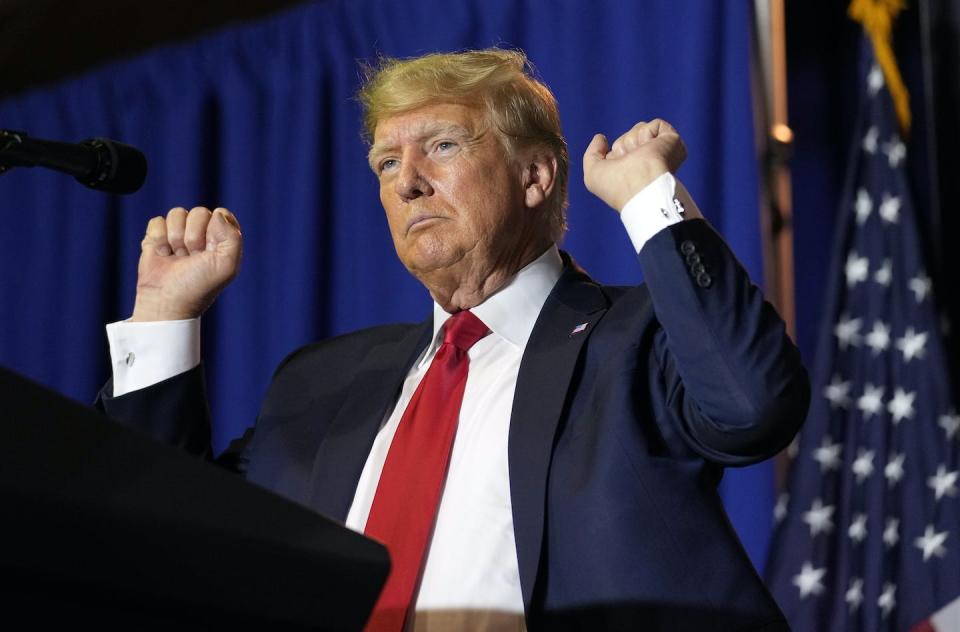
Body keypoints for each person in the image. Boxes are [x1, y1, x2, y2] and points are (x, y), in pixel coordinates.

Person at [99, 49, 809, 631]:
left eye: (441, 146)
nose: (408, 182)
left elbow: (754, 408)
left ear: (534, 176)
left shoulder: (635, 340)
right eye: (386, 163)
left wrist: (652, 198)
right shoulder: (320, 386)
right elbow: (170, 540)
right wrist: (163, 315)